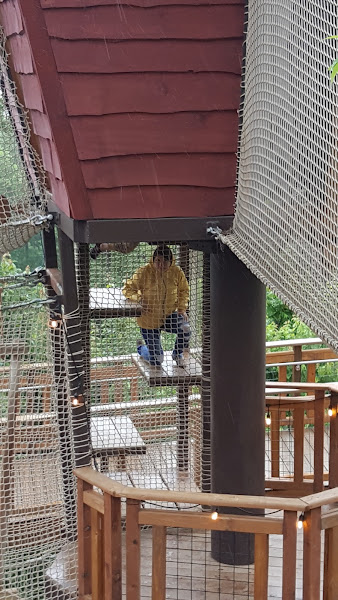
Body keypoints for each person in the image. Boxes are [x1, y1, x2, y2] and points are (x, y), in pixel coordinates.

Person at [123, 245, 190, 367]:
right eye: (158, 261)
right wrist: (139, 299)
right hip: (149, 319)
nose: (161, 264)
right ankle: (141, 348)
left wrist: (181, 308)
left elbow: (184, 290)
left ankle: (177, 354)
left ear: (171, 262)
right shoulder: (144, 271)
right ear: (153, 260)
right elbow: (127, 289)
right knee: (157, 360)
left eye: (165, 261)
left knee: (186, 328)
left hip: (168, 316)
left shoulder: (176, 272)